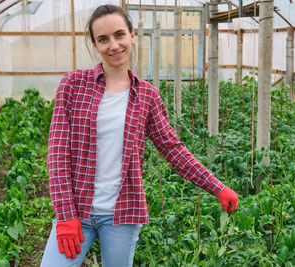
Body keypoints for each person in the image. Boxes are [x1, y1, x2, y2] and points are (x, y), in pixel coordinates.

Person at [40, 4, 238, 267]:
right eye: (103, 39)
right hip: (78, 209)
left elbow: (172, 148)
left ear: (132, 35)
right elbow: (57, 153)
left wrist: (217, 187)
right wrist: (65, 215)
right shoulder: (73, 85)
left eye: (119, 34)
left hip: (122, 213)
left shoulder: (146, 95)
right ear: (95, 44)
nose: (113, 45)